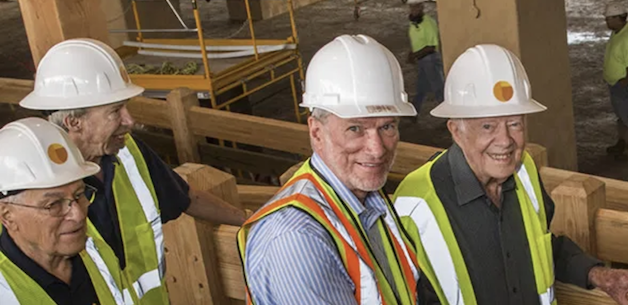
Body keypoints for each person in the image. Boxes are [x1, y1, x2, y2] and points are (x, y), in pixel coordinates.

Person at [393, 44, 628, 305]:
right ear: (456, 130)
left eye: (514, 123)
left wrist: (600, 275)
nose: (505, 140)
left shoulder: (524, 172)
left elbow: (542, 249)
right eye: (488, 126)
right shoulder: (415, 205)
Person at [18, 38, 248, 304]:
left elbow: (187, 198)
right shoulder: (33, 189)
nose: (130, 120)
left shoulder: (129, 154)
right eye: (116, 111)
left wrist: (250, 220)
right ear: (74, 121)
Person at [238, 34, 420, 305]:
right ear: (316, 132)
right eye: (355, 128)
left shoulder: (368, 201)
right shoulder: (296, 240)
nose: (377, 149)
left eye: (387, 126)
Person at [0, 118, 125, 305]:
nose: (78, 215)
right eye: (53, 204)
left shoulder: (97, 252)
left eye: (79, 195)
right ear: (7, 216)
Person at [602, 1, 628, 157]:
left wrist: (627, 81)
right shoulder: (618, 32)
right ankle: (623, 142)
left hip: (624, 84)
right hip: (616, 83)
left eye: (608, 19)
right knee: (622, 115)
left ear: (618, 18)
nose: (606, 22)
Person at [407, 0, 445, 119]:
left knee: (438, 88)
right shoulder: (414, 23)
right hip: (423, 60)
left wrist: (414, 55)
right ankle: (414, 112)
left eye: (416, 7)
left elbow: (431, 47)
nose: (414, 10)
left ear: (422, 7)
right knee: (421, 87)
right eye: (412, 7)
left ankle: (449, 115)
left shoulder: (428, 23)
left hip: (430, 59)